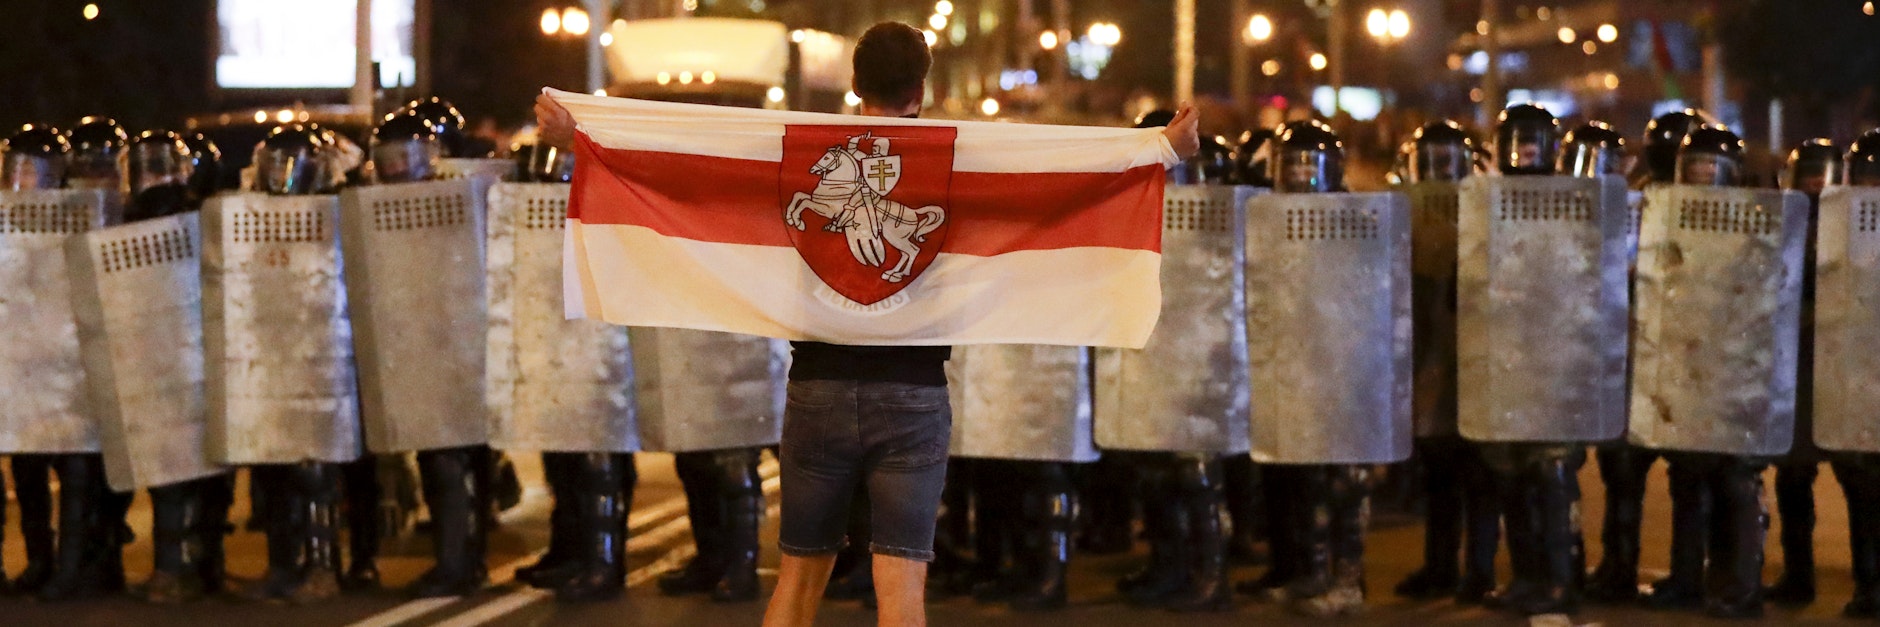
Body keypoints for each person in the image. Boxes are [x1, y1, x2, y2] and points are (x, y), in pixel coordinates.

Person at [536, 21, 1195, 627]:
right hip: (913, 398)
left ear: (855, 85)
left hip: (819, 391)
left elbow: (683, 164)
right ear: (923, 86)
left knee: (795, 584)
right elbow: (1062, 179)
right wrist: (1163, 149)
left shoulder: (799, 148)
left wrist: (582, 136)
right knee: (901, 593)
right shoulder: (963, 155)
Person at [1767, 138, 1840, 606]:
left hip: (1843, 362)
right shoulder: (1781, 224)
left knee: (1863, 482)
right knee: (1793, 480)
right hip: (1796, 362)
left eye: (1824, 173)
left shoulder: (1857, 222)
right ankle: (1799, 576)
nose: (1816, 182)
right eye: (1808, 173)